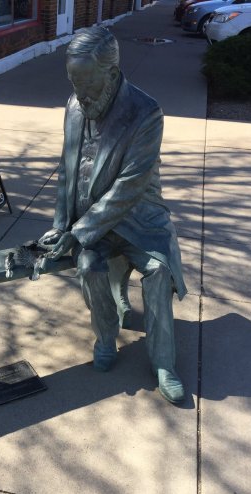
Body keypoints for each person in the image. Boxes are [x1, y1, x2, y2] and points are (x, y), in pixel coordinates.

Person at [39, 26, 187, 404]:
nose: (80, 93)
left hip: (140, 220)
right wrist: (61, 225)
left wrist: (79, 231)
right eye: (74, 82)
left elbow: (129, 187)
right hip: (92, 224)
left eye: (87, 83)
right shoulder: (75, 106)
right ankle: (105, 337)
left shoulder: (145, 112)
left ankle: (164, 362)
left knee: (158, 272)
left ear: (112, 72)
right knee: (88, 266)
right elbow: (67, 169)